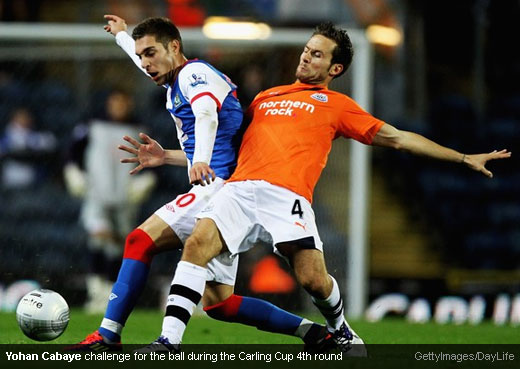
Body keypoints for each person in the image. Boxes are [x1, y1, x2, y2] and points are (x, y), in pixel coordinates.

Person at [145, 22, 511, 354]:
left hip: (287, 195)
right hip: (239, 188)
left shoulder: (337, 106)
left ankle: (340, 329)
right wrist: (172, 157)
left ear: (334, 69)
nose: (306, 56)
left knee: (313, 280)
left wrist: (462, 158)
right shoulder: (264, 98)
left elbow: (397, 138)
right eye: (307, 49)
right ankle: (168, 343)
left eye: (316, 54)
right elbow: (225, 149)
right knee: (196, 244)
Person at [73, 15, 332, 351]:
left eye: (151, 53)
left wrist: (198, 161)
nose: (146, 63)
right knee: (219, 304)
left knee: (139, 241)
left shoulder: (195, 75)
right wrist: (122, 35)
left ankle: (110, 334)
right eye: (141, 56)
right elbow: (210, 133)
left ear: (175, 47)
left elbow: (207, 115)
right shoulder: (175, 78)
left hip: (219, 188)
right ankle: (315, 334)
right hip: (228, 188)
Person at [63, 89, 156, 313]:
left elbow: (153, 159)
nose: (119, 107)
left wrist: (147, 179)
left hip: (125, 197)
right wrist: (72, 171)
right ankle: (96, 292)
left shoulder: (140, 129)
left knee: (118, 246)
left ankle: (110, 293)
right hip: (97, 193)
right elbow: (72, 150)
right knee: (98, 236)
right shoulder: (92, 124)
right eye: (115, 102)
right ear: (107, 103)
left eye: (123, 102)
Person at [0, 107, 57, 190]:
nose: (25, 120)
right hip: (12, 178)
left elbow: (50, 141)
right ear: (14, 119)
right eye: (21, 118)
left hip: (31, 179)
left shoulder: (32, 135)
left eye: (26, 117)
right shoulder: (8, 136)